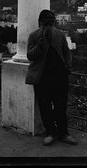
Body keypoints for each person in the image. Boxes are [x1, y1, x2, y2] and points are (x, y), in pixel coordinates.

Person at [26, 9, 77, 146]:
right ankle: (51, 133)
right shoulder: (34, 36)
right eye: (46, 22)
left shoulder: (60, 35)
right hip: (42, 77)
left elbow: (67, 53)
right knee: (45, 106)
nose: (48, 25)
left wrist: (67, 67)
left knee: (60, 106)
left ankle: (63, 133)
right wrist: (40, 45)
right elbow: (30, 55)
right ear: (40, 23)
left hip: (59, 76)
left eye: (50, 22)